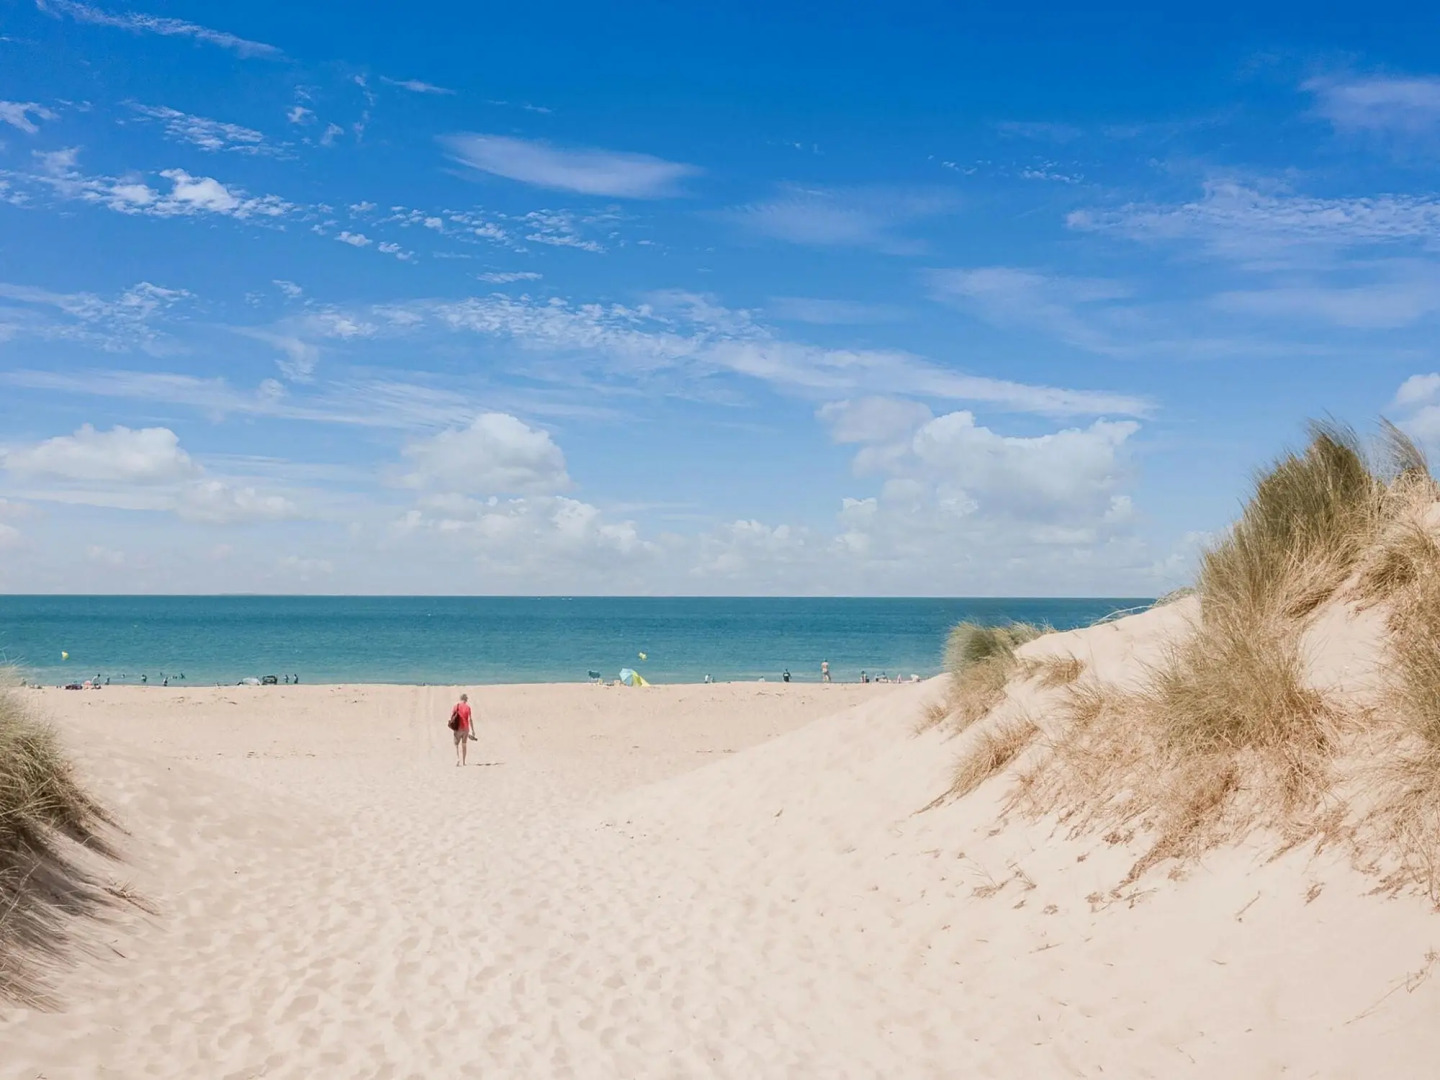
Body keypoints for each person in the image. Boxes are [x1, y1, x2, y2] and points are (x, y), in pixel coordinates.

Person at [449, 693, 475, 766]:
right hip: (466, 729)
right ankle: (464, 762)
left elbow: (452, 717)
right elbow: (470, 719)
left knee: (456, 744)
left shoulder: (456, 707)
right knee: (464, 744)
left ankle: (457, 759)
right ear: (466, 699)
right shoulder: (468, 707)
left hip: (458, 728)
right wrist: (473, 730)